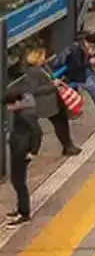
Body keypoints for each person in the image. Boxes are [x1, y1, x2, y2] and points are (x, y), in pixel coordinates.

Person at [21, 48, 80, 155]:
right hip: (48, 103)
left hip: (56, 99)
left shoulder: (43, 67)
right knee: (59, 124)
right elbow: (34, 90)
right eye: (42, 56)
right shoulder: (33, 72)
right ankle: (68, 146)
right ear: (37, 57)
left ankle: (68, 145)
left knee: (63, 122)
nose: (45, 58)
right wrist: (52, 85)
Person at [4, 90, 41, 225]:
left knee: (19, 182)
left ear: (18, 102)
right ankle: (21, 208)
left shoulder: (26, 115)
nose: (9, 108)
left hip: (22, 151)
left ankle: (24, 212)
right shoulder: (19, 112)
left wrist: (33, 151)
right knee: (16, 180)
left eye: (11, 104)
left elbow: (37, 132)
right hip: (17, 150)